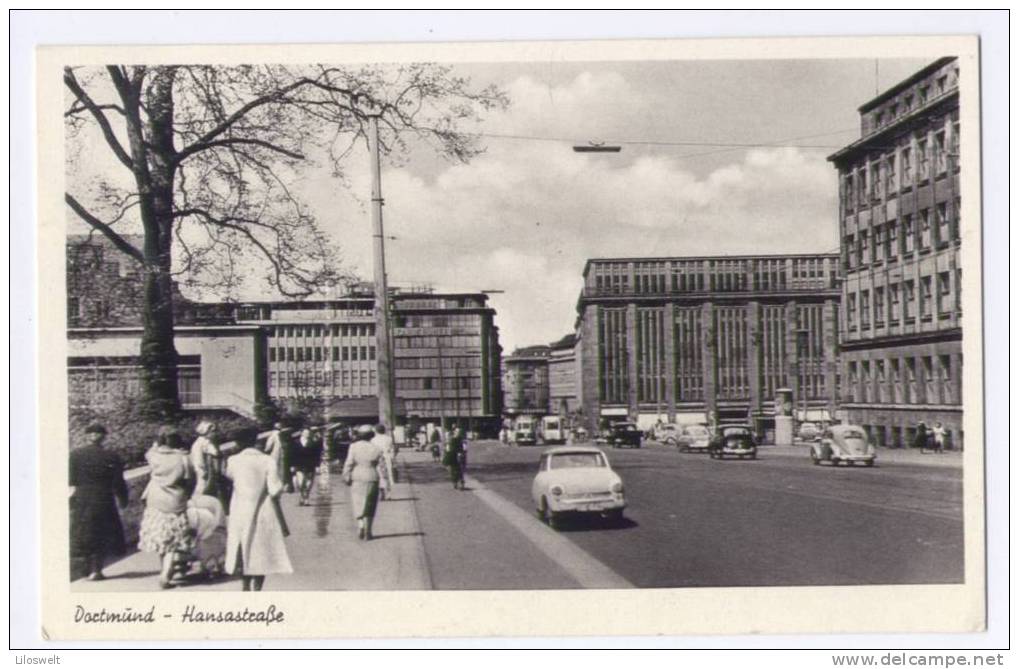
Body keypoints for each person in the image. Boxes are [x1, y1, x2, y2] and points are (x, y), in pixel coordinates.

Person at [224, 427, 292, 591]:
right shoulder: (267, 460)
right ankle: (258, 589)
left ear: (238, 443)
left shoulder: (233, 460)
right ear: (255, 440)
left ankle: (245, 585)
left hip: (239, 509)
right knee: (260, 549)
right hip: (262, 509)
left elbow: (229, 476)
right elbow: (274, 488)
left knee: (242, 547)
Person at [69, 423, 129, 581]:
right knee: (102, 533)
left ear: (87, 436)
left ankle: (85, 570)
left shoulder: (75, 454)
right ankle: (97, 570)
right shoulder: (112, 456)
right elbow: (118, 482)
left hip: (82, 498)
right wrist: (123, 499)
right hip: (104, 498)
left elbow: (71, 480)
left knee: (84, 532)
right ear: (104, 437)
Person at [139, 426, 195, 589]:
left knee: (161, 537)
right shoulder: (184, 458)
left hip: (155, 499)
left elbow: (150, 449)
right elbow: (190, 479)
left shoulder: (153, 456)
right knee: (175, 539)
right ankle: (166, 574)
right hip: (175, 500)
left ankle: (164, 569)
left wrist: (158, 442)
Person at [342, 424, 384, 540]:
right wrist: (385, 483)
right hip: (372, 476)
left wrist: (346, 476)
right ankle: (368, 531)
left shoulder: (353, 447)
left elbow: (349, 463)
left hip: (358, 476)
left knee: (358, 502)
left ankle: (360, 525)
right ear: (372, 435)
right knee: (370, 505)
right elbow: (382, 467)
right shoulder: (377, 449)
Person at [189, 421, 221, 499]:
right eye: (213, 432)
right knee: (203, 488)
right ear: (206, 432)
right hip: (203, 469)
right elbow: (216, 453)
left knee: (201, 486)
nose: (215, 434)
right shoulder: (206, 442)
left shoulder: (197, 442)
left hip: (198, 467)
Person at [291, 427, 323, 506]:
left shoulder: (313, 443)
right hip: (299, 464)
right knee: (301, 483)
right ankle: (303, 496)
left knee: (308, 483)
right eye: (305, 433)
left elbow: (317, 455)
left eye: (308, 433)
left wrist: (318, 466)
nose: (307, 434)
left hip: (310, 464)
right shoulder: (295, 442)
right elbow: (292, 455)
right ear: (302, 433)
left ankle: (306, 498)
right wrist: (292, 465)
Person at [372, 424, 396, 500]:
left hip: (377, 458)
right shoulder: (389, 439)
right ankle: (388, 494)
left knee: (379, 476)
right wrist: (393, 459)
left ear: (376, 431)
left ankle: (381, 494)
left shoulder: (373, 440)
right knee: (387, 476)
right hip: (387, 458)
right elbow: (392, 450)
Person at [443, 424, 467, 490]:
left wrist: (462, 453)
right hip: (451, 456)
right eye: (457, 432)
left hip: (458, 456)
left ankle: (460, 482)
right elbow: (448, 448)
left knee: (460, 470)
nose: (458, 433)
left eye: (459, 432)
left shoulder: (461, 440)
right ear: (454, 432)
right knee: (452, 470)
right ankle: (455, 482)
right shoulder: (451, 439)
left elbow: (463, 448)